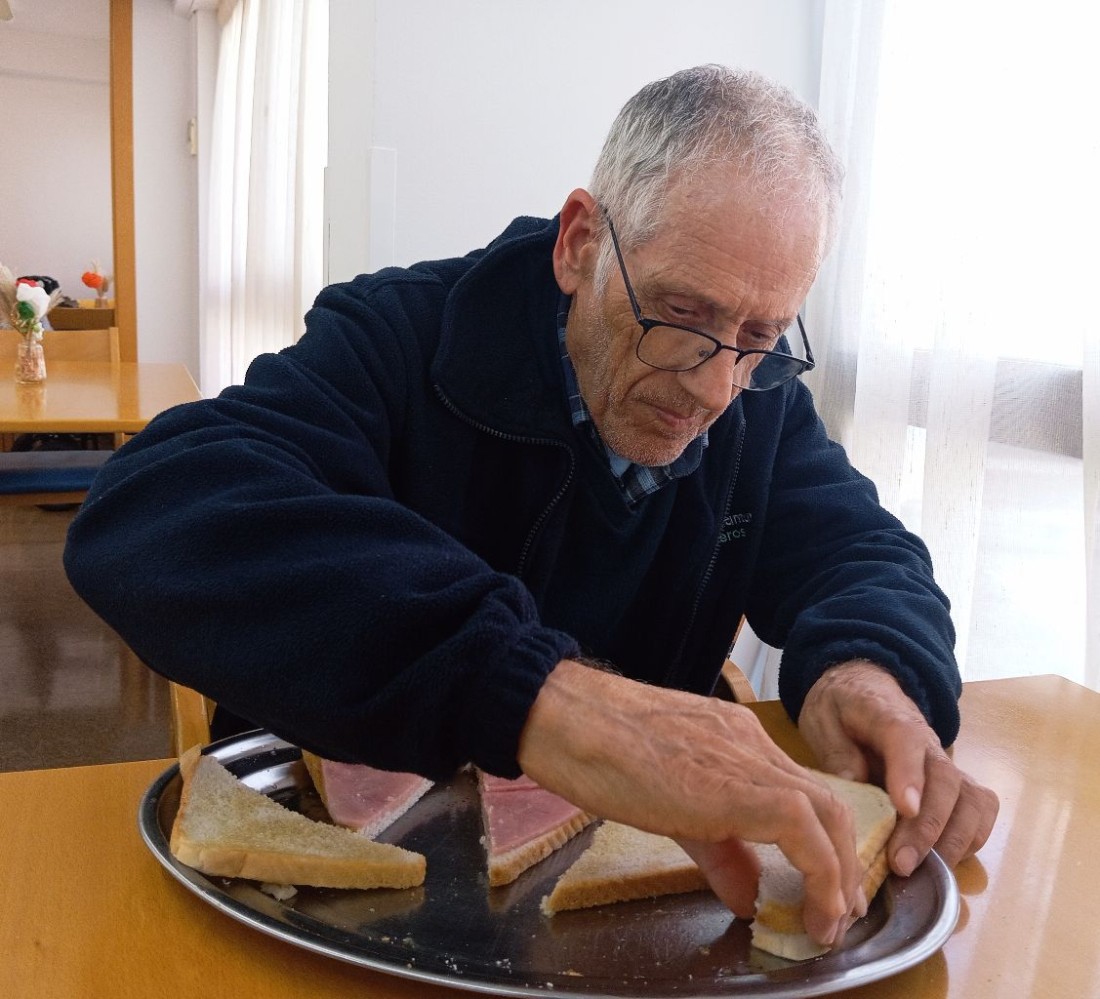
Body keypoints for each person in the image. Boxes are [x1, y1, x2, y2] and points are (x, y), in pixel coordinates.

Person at [63, 65, 998, 949]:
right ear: (580, 243)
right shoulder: (400, 336)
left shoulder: (757, 402)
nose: (715, 387)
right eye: (680, 314)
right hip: (323, 906)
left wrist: (868, 673)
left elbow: (860, 552)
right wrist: (544, 698)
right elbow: (152, 508)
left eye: (760, 335)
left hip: (605, 937)